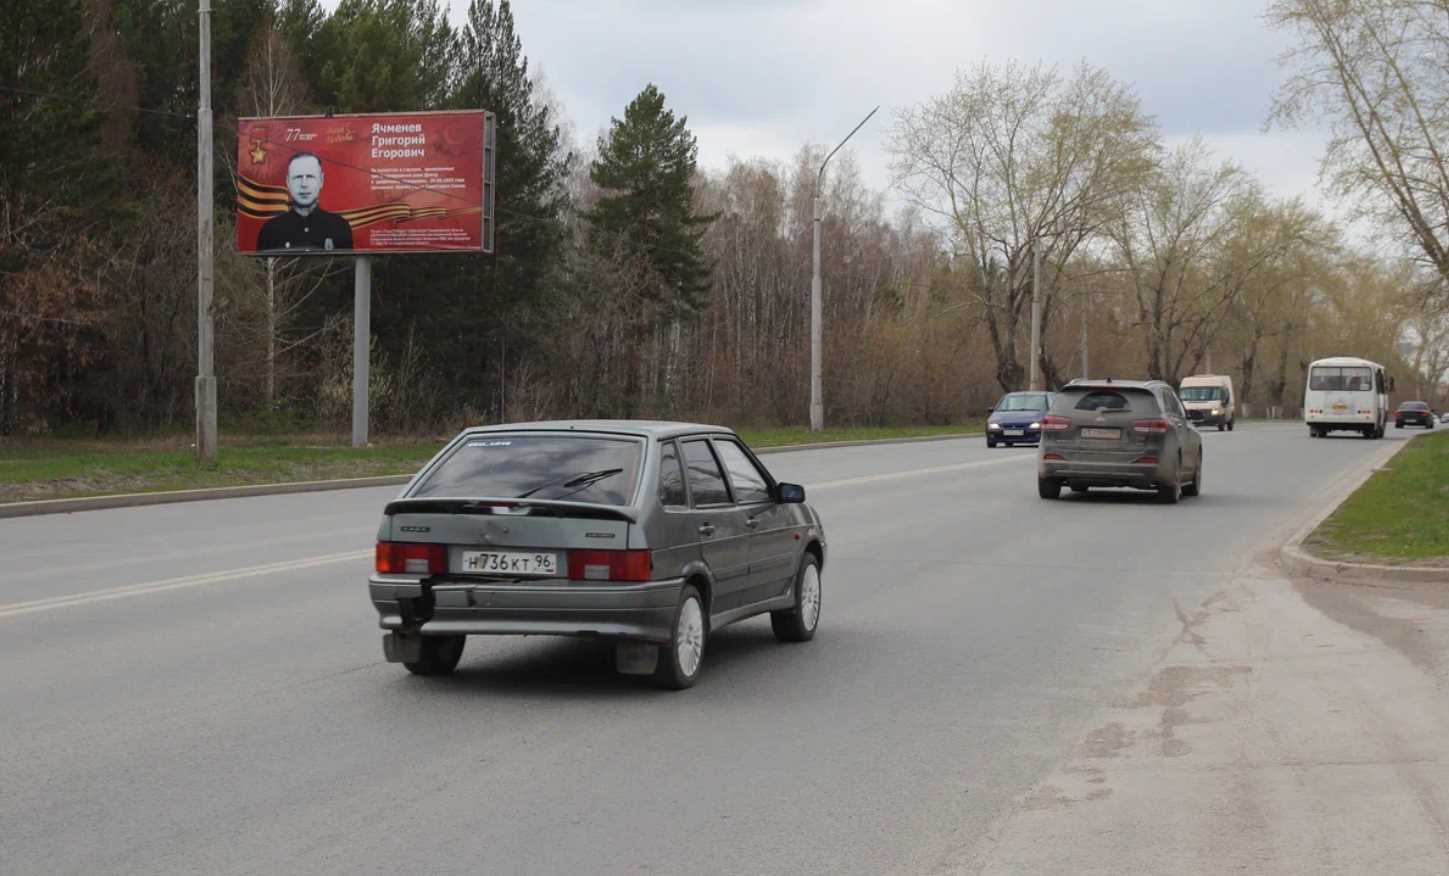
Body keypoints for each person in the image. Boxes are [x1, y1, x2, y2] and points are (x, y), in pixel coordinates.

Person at [256, 152, 354, 252]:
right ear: (288, 182)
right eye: (298, 177)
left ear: (321, 180)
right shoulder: (270, 231)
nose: (304, 184)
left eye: (310, 176)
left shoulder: (339, 227)